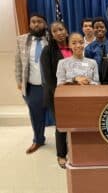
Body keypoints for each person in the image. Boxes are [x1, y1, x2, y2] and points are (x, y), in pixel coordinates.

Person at [15, 13, 48, 154]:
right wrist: (19, 81)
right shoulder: (22, 40)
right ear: (30, 24)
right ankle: (38, 140)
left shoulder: (52, 39)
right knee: (35, 115)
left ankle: (64, 143)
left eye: (39, 21)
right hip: (32, 86)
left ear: (45, 24)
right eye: (33, 22)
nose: (36, 24)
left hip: (52, 86)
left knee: (60, 115)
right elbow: (18, 62)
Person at [40, 21, 72, 169]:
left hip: (73, 94)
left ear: (66, 31)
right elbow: (48, 78)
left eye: (61, 29)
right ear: (51, 35)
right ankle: (61, 155)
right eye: (55, 31)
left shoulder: (73, 47)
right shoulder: (47, 51)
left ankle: (73, 149)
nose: (59, 33)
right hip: (55, 95)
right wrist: (59, 95)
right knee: (61, 125)